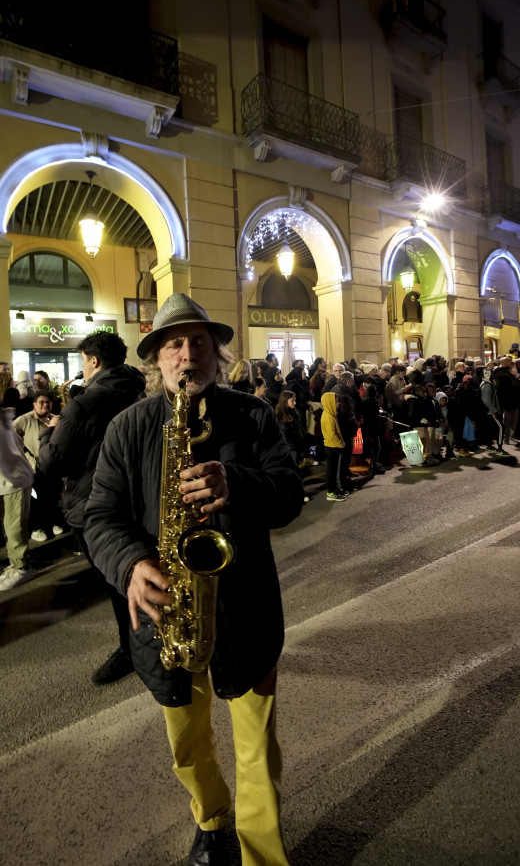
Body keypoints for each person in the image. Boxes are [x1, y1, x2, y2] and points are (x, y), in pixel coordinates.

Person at [84, 293, 304, 866]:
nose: (188, 355)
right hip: (166, 619)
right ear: (157, 357)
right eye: (174, 344)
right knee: (186, 746)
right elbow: (100, 516)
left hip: (246, 612)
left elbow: (288, 495)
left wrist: (238, 481)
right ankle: (211, 819)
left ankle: (263, 855)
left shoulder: (252, 415)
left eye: (199, 343)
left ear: (217, 353)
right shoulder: (127, 428)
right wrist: (131, 564)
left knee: (256, 749)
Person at [38, 331, 146, 685]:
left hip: (91, 505)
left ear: (94, 361)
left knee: (115, 581)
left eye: (83, 360)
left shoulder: (83, 404)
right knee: (133, 570)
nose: (82, 367)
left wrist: (47, 432)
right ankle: (142, 643)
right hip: (132, 497)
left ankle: (132, 650)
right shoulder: (137, 390)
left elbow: (52, 463)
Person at [13, 392, 65, 541]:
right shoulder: (25, 419)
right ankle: (37, 527)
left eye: (47, 402)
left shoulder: (55, 419)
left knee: (52, 496)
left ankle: (54, 522)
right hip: (33, 466)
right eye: (41, 402)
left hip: (51, 465)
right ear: (34, 404)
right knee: (35, 499)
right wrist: (22, 451)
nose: (44, 405)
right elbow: (11, 434)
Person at [0, 406, 35, 590]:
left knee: (14, 527)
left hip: (14, 480)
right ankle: (15, 563)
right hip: (8, 480)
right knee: (8, 526)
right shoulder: (4, 419)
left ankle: (22, 568)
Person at [320, 390, 347, 501]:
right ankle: (331, 492)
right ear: (330, 403)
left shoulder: (330, 414)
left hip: (333, 446)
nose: (338, 403)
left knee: (334, 469)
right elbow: (332, 435)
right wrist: (341, 444)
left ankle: (335, 489)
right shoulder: (329, 416)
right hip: (332, 447)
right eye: (336, 401)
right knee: (331, 471)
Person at [275, 390, 305, 465]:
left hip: (296, 446)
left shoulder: (293, 412)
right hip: (291, 448)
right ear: (285, 401)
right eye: (292, 400)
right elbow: (285, 435)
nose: (295, 403)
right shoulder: (281, 416)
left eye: (295, 400)